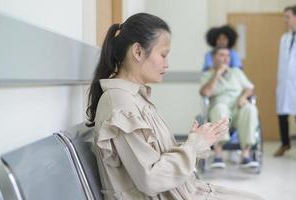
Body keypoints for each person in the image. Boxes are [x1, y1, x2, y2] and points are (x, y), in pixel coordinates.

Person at [86, 13, 264, 200]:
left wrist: (195, 142)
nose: (167, 64)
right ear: (138, 52)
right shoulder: (120, 103)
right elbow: (150, 179)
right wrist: (193, 146)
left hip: (183, 191)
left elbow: (155, 159)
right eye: (163, 55)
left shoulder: (135, 98)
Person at [200, 46, 259, 169]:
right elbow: (206, 93)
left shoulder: (236, 72)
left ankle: (246, 154)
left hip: (237, 108)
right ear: (213, 58)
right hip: (219, 107)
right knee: (220, 108)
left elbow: (250, 89)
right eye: (221, 55)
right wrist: (217, 74)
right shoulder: (207, 74)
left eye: (227, 55)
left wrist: (243, 97)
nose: (225, 58)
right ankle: (218, 154)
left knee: (250, 108)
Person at [274, 5, 296, 157]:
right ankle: (285, 144)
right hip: (284, 83)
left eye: (288, 17)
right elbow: (282, 63)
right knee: (282, 114)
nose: (285, 20)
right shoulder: (285, 38)